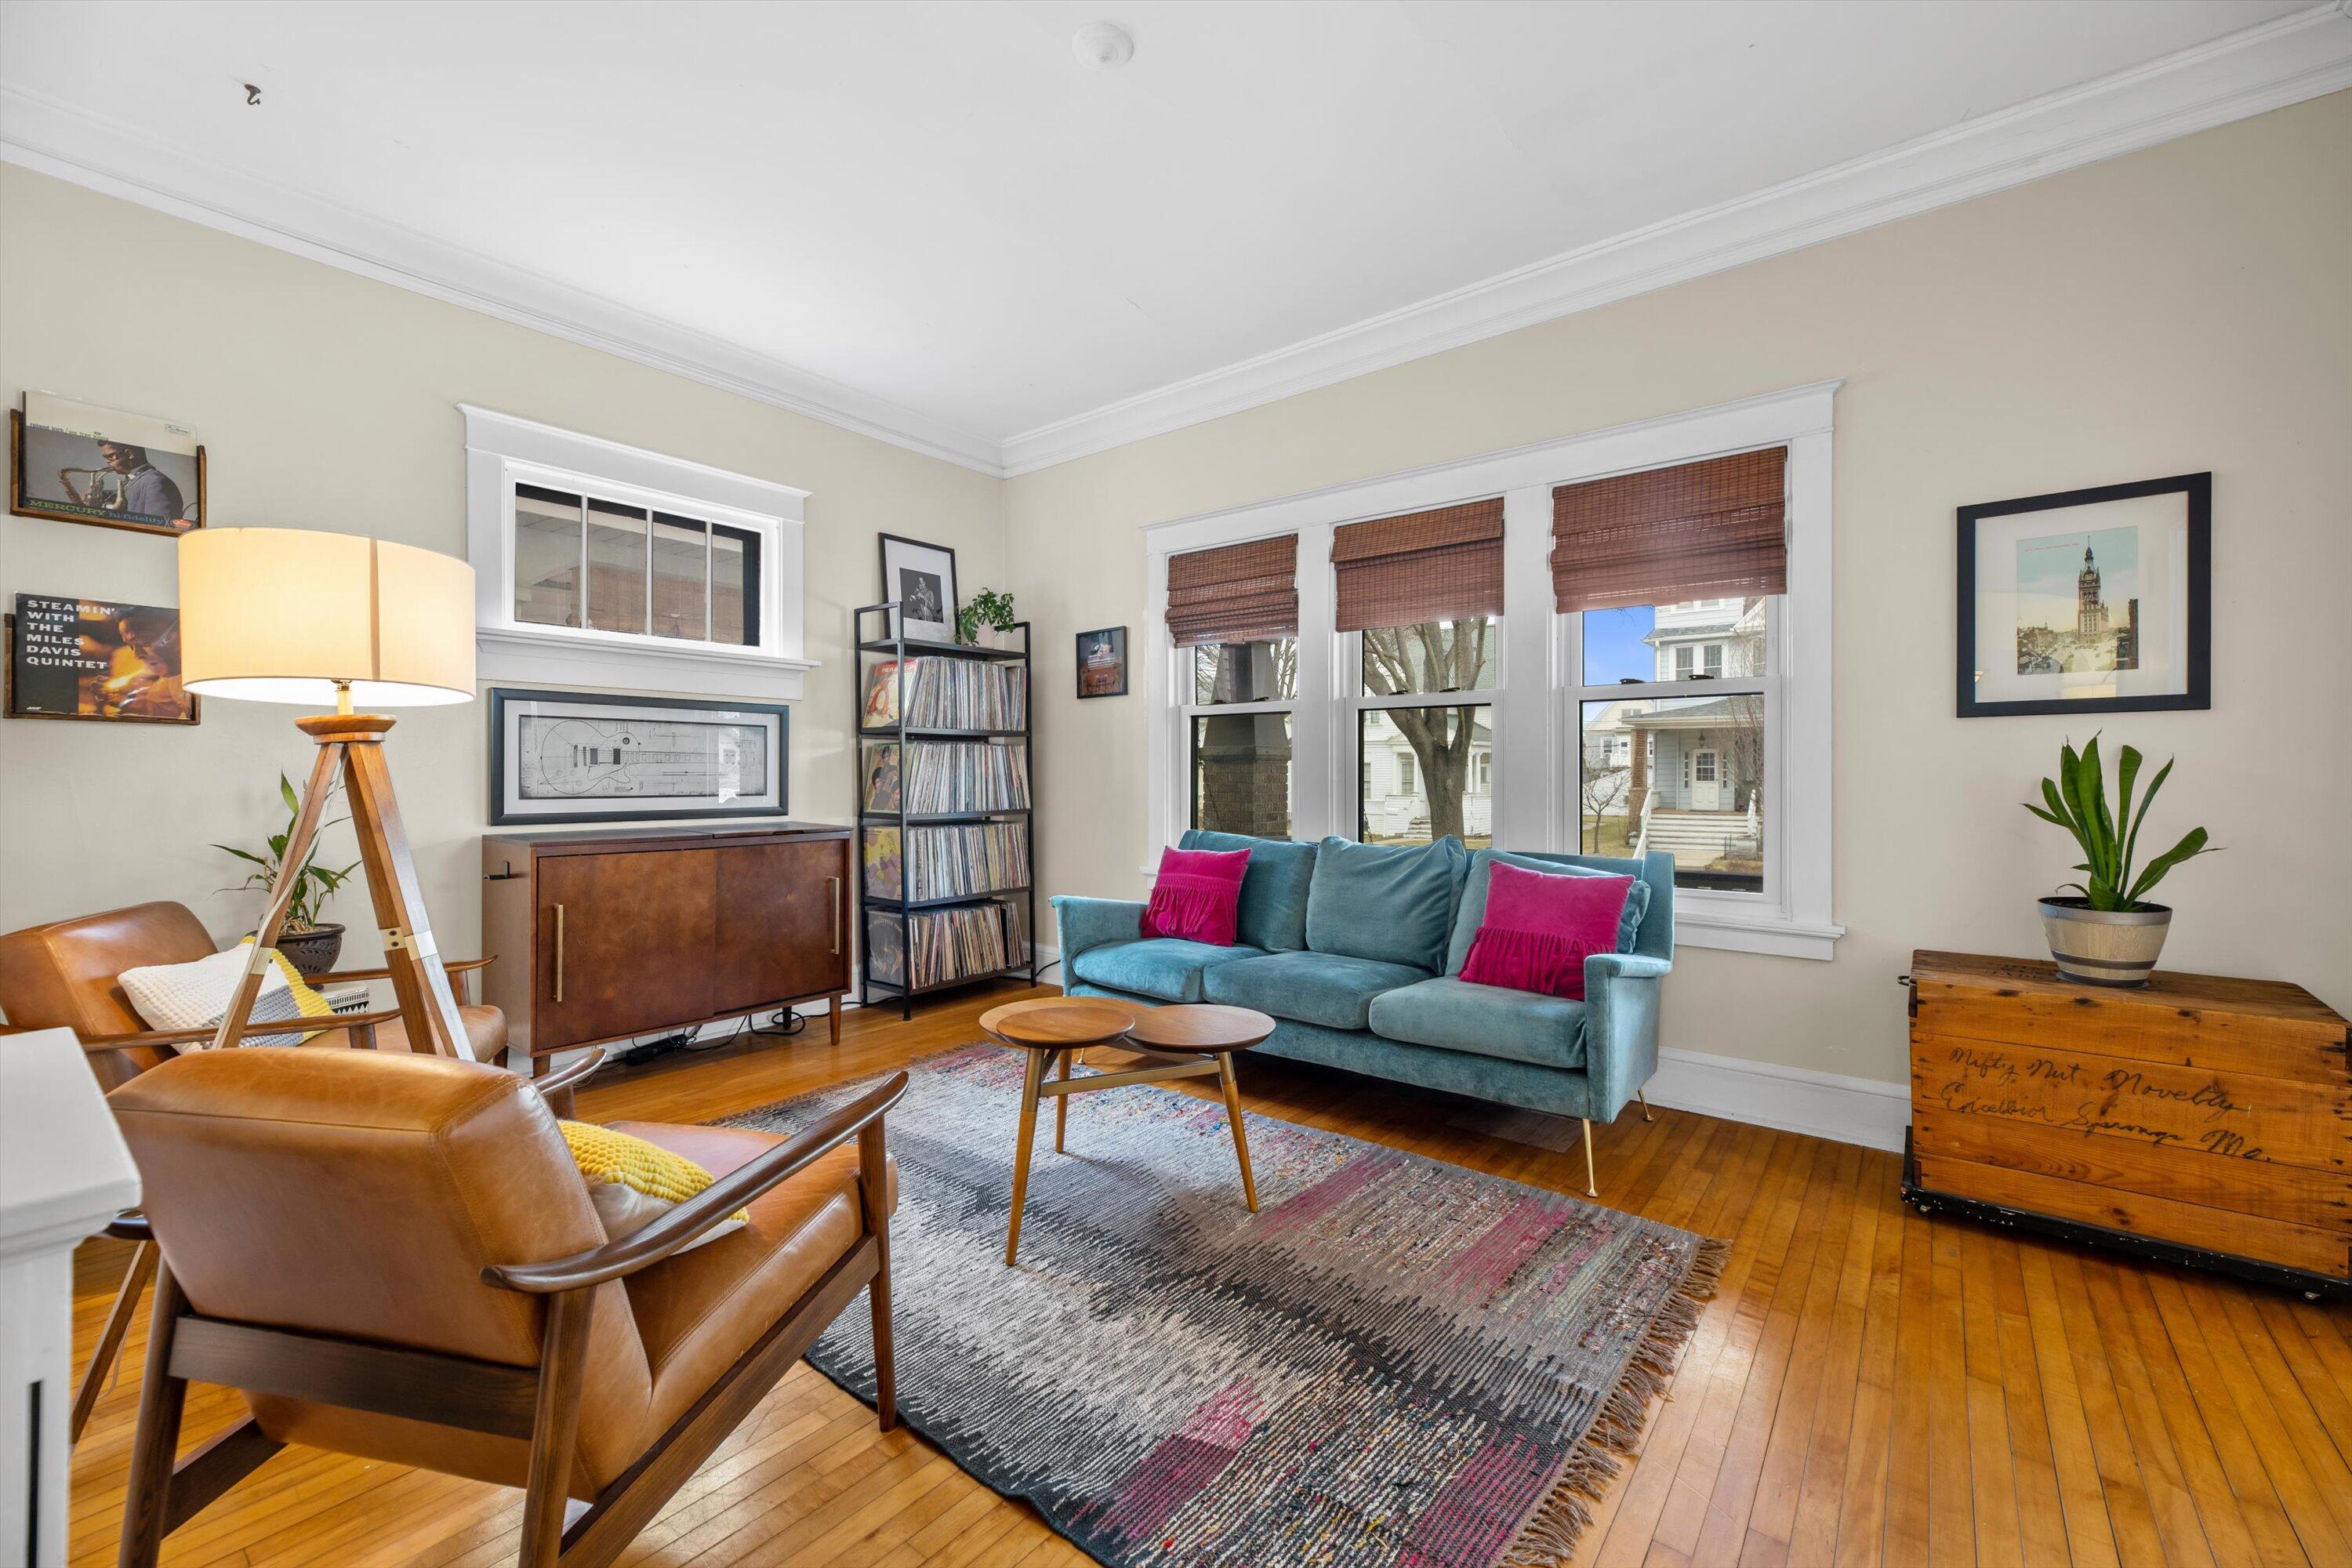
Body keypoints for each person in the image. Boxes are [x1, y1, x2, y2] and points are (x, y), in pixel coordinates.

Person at [85, 441, 188, 525]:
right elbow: (129, 496)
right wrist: (98, 495)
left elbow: (161, 526)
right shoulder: (134, 478)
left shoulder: (156, 482)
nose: (107, 462)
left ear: (130, 454)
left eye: (110, 456)